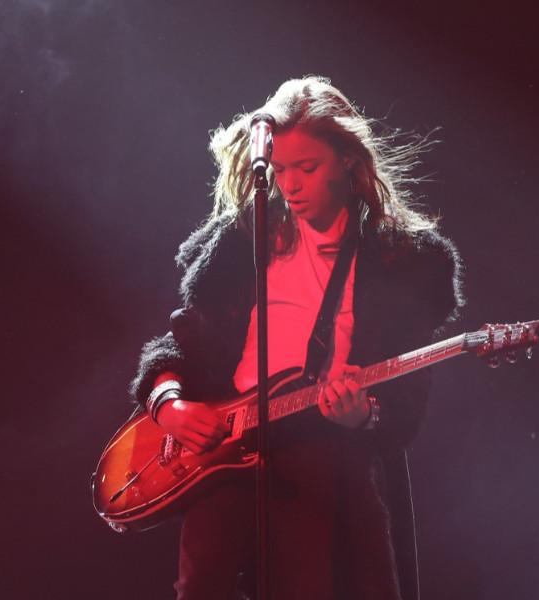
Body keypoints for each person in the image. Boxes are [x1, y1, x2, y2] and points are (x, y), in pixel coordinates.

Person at [129, 76, 464, 600]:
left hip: (323, 454)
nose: (290, 186)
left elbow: (405, 403)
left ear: (348, 159)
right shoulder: (247, 240)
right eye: (280, 170)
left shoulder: (400, 261)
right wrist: (167, 402)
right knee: (201, 585)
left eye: (307, 168)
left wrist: (363, 414)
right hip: (226, 453)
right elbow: (181, 343)